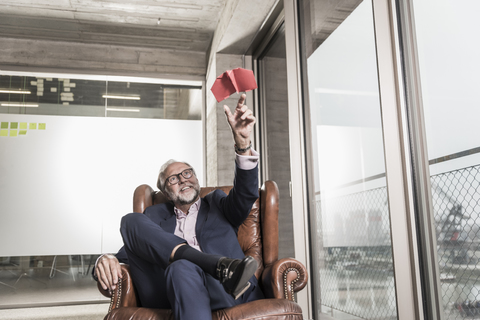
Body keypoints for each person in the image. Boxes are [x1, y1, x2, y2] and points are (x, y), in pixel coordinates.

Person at [94, 94, 264, 320]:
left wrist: (243, 145)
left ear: (196, 178)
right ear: (165, 192)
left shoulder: (217, 202)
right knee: (131, 222)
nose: (183, 179)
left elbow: (245, 195)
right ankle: (218, 265)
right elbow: (129, 253)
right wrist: (104, 259)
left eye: (187, 173)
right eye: (173, 179)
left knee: (181, 265)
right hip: (171, 290)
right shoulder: (153, 215)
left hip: (227, 290)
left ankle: (219, 270)